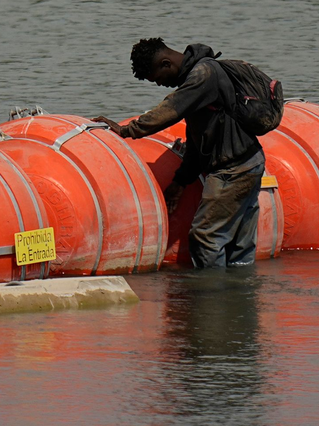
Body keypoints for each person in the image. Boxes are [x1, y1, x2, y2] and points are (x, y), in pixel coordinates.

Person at [93, 38, 265, 268]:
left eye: (157, 79)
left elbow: (170, 110)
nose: (160, 85)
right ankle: (239, 297)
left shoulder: (203, 75)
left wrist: (126, 130)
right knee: (239, 245)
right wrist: (181, 181)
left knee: (206, 238)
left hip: (232, 170)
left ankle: (211, 298)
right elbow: (198, 142)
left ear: (166, 63)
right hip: (249, 162)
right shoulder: (203, 77)